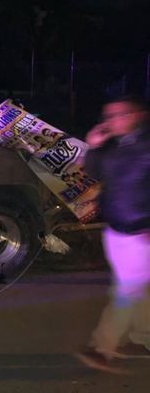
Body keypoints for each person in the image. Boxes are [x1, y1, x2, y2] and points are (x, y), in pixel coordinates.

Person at [76, 95, 150, 372]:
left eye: (119, 115)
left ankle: (102, 348)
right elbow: (95, 173)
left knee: (126, 290)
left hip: (141, 233)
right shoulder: (114, 145)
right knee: (138, 288)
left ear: (137, 115)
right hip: (117, 230)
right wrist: (94, 146)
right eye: (108, 116)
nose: (111, 121)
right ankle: (145, 339)